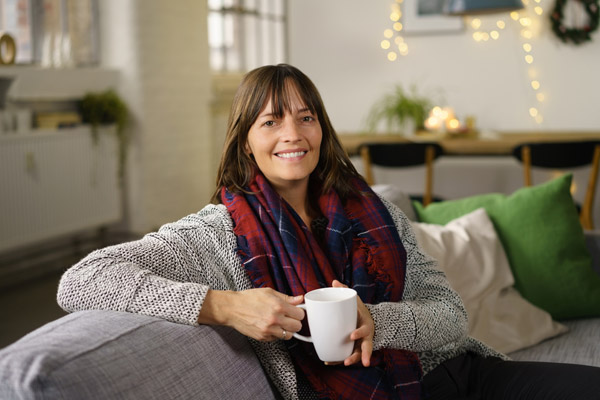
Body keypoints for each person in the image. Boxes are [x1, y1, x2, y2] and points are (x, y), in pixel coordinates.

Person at [58, 64, 600, 400]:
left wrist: (377, 322)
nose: (292, 134)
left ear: (322, 127)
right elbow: (82, 280)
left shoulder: (371, 209)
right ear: (245, 140)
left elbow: (451, 317)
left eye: (305, 117)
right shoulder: (217, 232)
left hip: (461, 376)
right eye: (270, 121)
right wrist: (225, 306)